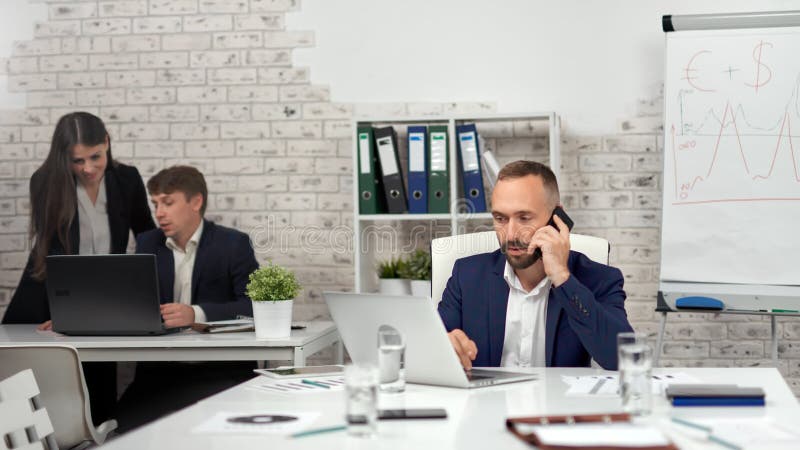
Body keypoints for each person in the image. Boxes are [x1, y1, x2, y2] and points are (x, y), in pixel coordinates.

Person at [2, 111, 156, 424]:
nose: (87, 168)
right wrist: (62, 309)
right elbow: (51, 250)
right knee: (22, 362)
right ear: (64, 158)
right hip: (55, 284)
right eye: (77, 161)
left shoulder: (126, 178)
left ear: (107, 143)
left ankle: (99, 436)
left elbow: (146, 236)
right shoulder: (45, 181)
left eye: (95, 157)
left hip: (107, 289)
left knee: (98, 377)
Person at [438, 160, 633, 371]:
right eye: (500, 218)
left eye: (524, 218)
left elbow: (622, 360)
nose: (511, 235)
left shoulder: (599, 279)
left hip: (557, 403)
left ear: (556, 218)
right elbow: (433, 347)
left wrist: (562, 277)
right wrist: (443, 345)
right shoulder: (466, 275)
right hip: (487, 402)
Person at [115, 165, 259, 432]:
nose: (159, 213)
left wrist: (196, 315)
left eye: (168, 203)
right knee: (120, 433)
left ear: (196, 202)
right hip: (158, 375)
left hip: (218, 373)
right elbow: (128, 302)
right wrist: (76, 317)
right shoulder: (148, 243)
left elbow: (253, 307)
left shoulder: (234, 244)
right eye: (155, 203)